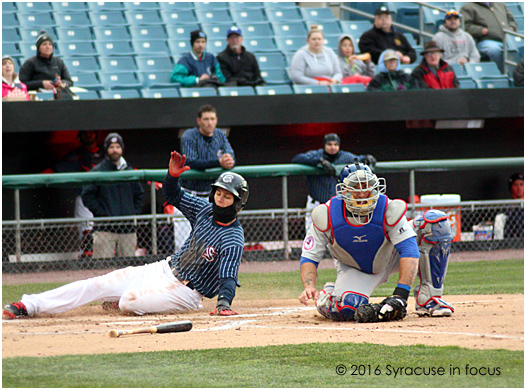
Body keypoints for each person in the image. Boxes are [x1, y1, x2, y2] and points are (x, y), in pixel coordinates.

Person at [3, 151, 249, 319]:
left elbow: (228, 275)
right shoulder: (205, 210)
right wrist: (172, 176)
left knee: (128, 301)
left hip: (186, 292)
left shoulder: (233, 237)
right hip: (162, 269)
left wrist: (223, 305)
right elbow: (174, 196)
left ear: (237, 202)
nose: (221, 198)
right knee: (96, 283)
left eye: (227, 196)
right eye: (219, 193)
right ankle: (29, 304)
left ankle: (125, 299)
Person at [298, 162, 455, 322]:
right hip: (356, 268)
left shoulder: (387, 207)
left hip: (391, 253)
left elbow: (409, 250)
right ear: (343, 190)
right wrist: (309, 287)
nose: (362, 193)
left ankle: (428, 298)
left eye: (366, 187)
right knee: (347, 309)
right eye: (355, 188)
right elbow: (310, 256)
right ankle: (329, 296)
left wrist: (401, 295)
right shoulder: (326, 214)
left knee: (436, 223)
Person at [174, 105, 236, 251]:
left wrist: (229, 160)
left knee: (209, 243)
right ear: (199, 121)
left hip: (210, 197)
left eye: (212, 119)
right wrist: (218, 162)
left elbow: (231, 155)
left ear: (216, 120)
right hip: (188, 194)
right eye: (206, 119)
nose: (209, 122)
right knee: (182, 243)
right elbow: (190, 161)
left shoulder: (219, 135)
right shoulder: (189, 135)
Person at [292, 133, 376, 231]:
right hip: (316, 202)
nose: (333, 147)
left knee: (337, 232)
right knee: (312, 231)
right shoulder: (316, 155)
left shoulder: (345, 156)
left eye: (335, 145)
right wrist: (319, 162)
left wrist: (368, 157)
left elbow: (360, 159)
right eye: (329, 144)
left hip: (337, 203)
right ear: (324, 145)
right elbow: (297, 159)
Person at [81, 133, 145, 259]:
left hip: (127, 230)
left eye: (117, 146)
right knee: (102, 270)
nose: (114, 150)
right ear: (106, 149)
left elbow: (139, 195)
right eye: (111, 147)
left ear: (122, 149)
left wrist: (132, 213)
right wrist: (102, 214)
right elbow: (87, 196)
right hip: (104, 229)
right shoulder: (98, 171)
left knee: (128, 271)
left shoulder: (129, 171)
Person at [42, 130, 104, 257]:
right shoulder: (77, 155)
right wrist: (38, 178)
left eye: (91, 132)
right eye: (85, 133)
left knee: (107, 230)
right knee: (87, 231)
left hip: (105, 198)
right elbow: (56, 169)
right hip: (85, 199)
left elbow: (126, 168)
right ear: (79, 137)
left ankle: (106, 258)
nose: (88, 135)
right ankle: (86, 259)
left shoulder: (106, 153)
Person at [460, 2, 518, 73]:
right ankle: (502, 75)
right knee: (494, 50)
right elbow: (465, 26)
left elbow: (512, 21)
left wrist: (511, 29)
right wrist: (482, 31)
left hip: (508, 40)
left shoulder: (500, 4)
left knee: (519, 49)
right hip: (486, 40)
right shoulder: (468, 7)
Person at [504, 173, 524, 239]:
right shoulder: (507, 206)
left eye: (521, 184)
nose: (519, 188)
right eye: (515, 185)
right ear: (511, 187)